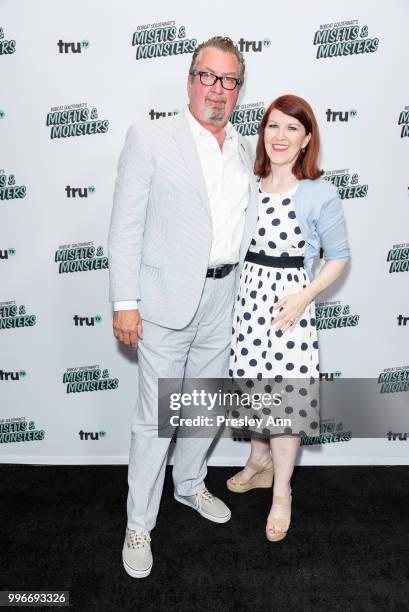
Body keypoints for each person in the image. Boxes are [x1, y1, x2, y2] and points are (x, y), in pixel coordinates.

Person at [108, 36, 258, 578]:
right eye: (208, 76)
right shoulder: (151, 137)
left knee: (202, 406)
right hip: (165, 301)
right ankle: (138, 523)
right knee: (155, 420)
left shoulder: (242, 147)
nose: (216, 89)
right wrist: (126, 302)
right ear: (190, 79)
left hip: (224, 295)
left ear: (238, 90)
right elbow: (125, 225)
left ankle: (189, 485)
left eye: (229, 80)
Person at [227, 94, 350, 542]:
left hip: (289, 309)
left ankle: (282, 491)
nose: (280, 136)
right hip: (246, 305)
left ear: (306, 139)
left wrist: (305, 296)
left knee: (284, 401)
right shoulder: (248, 183)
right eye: (272, 126)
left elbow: (337, 258)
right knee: (252, 386)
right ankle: (259, 462)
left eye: (291, 129)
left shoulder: (319, 192)